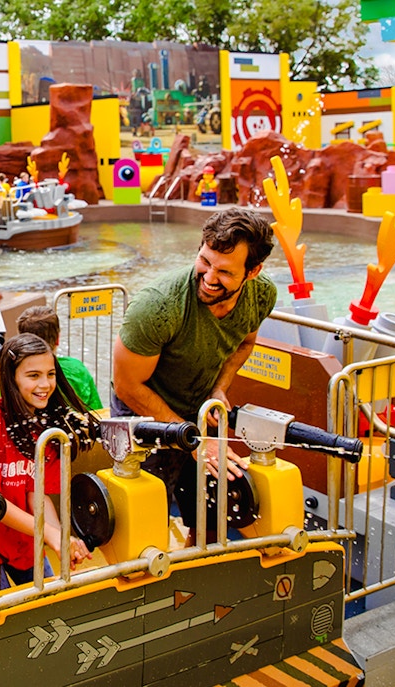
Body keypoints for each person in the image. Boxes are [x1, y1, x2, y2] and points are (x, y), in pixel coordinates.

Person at [111, 207, 276, 527]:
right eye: (205, 261)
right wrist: (191, 439)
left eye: (225, 272)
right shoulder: (157, 306)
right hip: (143, 416)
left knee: (211, 513)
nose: (210, 278)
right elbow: (127, 386)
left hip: (199, 411)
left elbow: (244, 342)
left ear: (252, 272)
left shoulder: (262, 294)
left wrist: (219, 388)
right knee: (147, 515)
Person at [0, 334, 98, 589]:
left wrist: (60, 538)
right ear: (11, 378)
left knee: (48, 600)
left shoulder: (47, 427)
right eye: (33, 375)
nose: (45, 384)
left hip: (25, 540)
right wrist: (48, 533)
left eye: (50, 374)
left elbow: (37, 494)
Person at [16, 305, 104, 411]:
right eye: (34, 375)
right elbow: (97, 411)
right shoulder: (76, 369)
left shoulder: (13, 373)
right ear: (58, 338)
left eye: (51, 374)